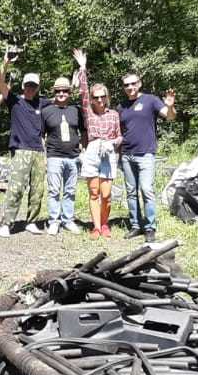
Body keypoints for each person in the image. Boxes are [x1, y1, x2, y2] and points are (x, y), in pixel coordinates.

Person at [0, 49, 51, 237]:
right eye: (28, 85)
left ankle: (32, 221)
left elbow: (62, 99)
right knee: (16, 188)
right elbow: (0, 82)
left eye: (33, 86)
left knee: (38, 190)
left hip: (38, 151)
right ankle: (7, 223)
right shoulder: (14, 100)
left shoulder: (42, 103)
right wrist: (5, 62)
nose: (30, 88)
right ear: (22, 85)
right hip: (20, 150)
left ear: (37, 87)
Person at [117, 73, 176, 242]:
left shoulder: (151, 100)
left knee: (147, 190)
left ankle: (150, 227)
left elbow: (170, 116)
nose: (130, 87)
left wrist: (170, 106)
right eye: (126, 85)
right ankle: (136, 225)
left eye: (133, 83)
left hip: (146, 154)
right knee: (130, 192)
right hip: (127, 155)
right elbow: (120, 130)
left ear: (140, 83)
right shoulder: (122, 106)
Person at [73, 49, 123, 239]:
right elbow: (84, 90)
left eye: (102, 96)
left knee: (106, 194)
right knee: (94, 192)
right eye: (96, 97)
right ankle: (96, 226)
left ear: (106, 97)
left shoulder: (114, 115)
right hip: (93, 150)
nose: (99, 100)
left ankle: (105, 223)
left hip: (108, 151)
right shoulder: (88, 112)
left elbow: (120, 136)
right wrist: (82, 67)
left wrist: (114, 144)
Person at [41, 76, 83, 234]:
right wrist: (44, 156)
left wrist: (83, 151)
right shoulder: (46, 111)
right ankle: (54, 220)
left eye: (65, 90)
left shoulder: (76, 110)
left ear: (69, 92)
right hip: (54, 156)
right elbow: (41, 135)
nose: (61, 93)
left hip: (73, 156)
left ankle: (68, 220)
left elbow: (83, 131)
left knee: (70, 190)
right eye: (58, 91)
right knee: (53, 190)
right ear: (54, 92)